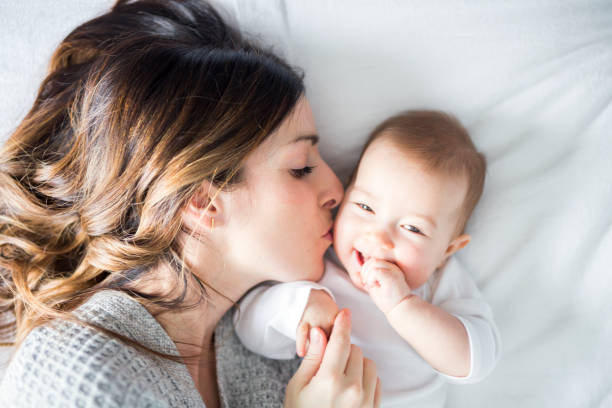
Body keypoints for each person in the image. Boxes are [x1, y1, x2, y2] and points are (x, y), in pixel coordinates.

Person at [0, 0, 382, 406]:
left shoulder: (282, 350)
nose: (337, 191)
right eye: (302, 167)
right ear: (203, 200)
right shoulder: (74, 373)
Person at [234, 110, 502, 407]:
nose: (379, 237)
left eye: (412, 228)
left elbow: (475, 361)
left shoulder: (439, 282)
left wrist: (402, 306)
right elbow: (248, 331)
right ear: (345, 195)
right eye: (364, 207)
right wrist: (300, 306)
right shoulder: (317, 264)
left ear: (447, 251)